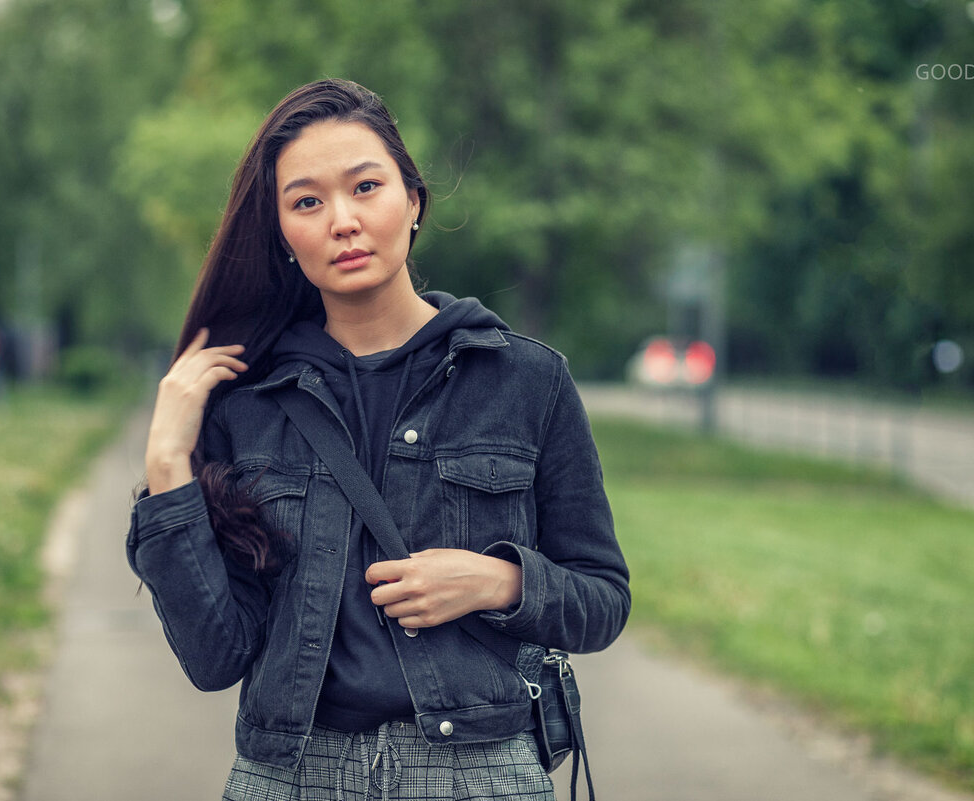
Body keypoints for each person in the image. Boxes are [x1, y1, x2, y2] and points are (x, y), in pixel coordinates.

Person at [126, 78, 631, 801]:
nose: (343, 220)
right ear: (282, 237)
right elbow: (215, 655)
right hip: (293, 775)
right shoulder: (246, 404)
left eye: (366, 186)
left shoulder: (526, 380)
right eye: (307, 201)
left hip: (478, 775)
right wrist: (168, 462)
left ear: (413, 200)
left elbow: (603, 596)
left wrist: (496, 581)